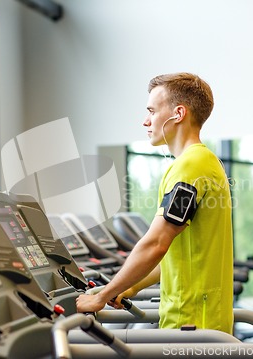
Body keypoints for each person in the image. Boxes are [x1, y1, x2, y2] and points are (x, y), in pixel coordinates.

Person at [76, 72, 234, 333]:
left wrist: (100, 297)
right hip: (200, 317)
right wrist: (129, 286)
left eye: (152, 110)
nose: (145, 121)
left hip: (192, 322)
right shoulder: (202, 162)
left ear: (178, 114)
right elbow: (174, 256)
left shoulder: (190, 167)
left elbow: (156, 244)